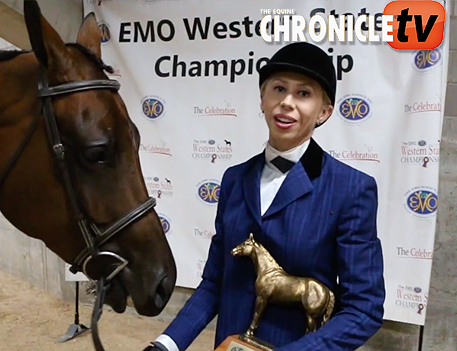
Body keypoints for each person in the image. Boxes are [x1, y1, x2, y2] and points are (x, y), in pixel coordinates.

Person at [144, 42, 385, 351]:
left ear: (324, 112)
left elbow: (363, 309)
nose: (287, 102)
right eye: (279, 88)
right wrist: (167, 344)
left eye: (303, 93)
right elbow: (217, 282)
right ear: (262, 98)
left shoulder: (351, 189)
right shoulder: (234, 179)